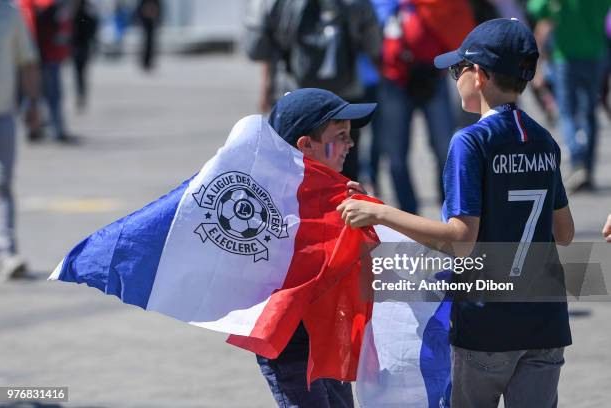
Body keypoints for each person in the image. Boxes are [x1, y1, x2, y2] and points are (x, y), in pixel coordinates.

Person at [338, 18, 575, 407]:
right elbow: (563, 232)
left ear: (478, 74)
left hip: (488, 322)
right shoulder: (544, 139)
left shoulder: (471, 141)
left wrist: (380, 214)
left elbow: (461, 240)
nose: (455, 78)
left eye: (457, 69)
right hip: (546, 320)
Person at [258, 88, 376, 407]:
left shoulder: (338, 195)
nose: (350, 144)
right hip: (291, 350)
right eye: (340, 135)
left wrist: (364, 218)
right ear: (306, 145)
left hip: (328, 343)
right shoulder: (266, 204)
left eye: (350, 135)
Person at [244, 0, 382, 182]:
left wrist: (266, 89)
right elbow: (373, 46)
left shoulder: (275, 3)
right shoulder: (356, 3)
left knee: (289, 173)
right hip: (344, 99)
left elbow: (257, 49)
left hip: (295, 101)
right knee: (345, 172)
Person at [378, 0, 475, 213]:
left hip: (432, 77)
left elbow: (455, 23)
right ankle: (408, 215)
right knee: (395, 154)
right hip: (394, 80)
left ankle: (450, 210)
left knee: (444, 147)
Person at [528, 0, 611, 192]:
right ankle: (586, 169)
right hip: (595, 53)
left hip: (565, 56)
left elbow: (536, 8)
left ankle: (577, 161)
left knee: (567, 112)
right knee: (589, 113)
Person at [0, 0, 41, 282]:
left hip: (3, 114)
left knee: (2, 181)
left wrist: (34, 103)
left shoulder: (9, 13)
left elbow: (26, 60)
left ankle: (7, 252)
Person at [36, 0, 74, 142]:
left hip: (44, 56)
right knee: (53, 95)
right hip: (48, 57)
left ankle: (39, 127)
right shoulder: (49, 6)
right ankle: (55, 129)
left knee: (44, 95)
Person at [71, 0, 97, 111]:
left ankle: (81, 95)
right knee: (80, 74)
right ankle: (81, 95)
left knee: (80, 74)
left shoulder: (78, 13)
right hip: (80, 46)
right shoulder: (85, 12)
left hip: (81, 46)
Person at [136, 0, 161, 71]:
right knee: (146, 41)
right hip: (146, 19)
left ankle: (148, 61)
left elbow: (158, 7)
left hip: (151, 19)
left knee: (150, 41)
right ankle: (145, 61)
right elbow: (140, 8)